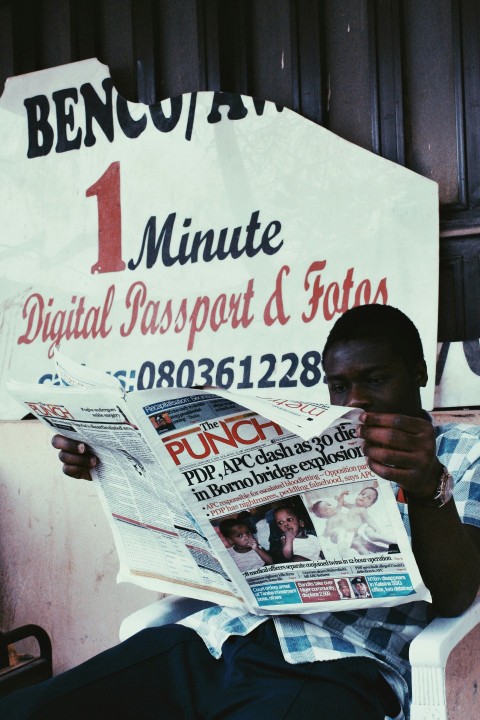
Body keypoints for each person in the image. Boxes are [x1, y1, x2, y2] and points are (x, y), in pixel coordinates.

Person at [2, 303, 480, 720]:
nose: (355, 400)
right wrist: (108, 459)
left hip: (336, 663)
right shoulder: (307, 439)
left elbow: (458, 597)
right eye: (339, 385)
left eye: (375, 380)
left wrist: (425, 487)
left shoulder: (464, 452)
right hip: (212, 639)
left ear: (419, 372)